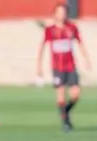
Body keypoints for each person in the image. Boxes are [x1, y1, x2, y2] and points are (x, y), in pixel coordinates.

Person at [37, 3, 91, 132]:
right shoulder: (50, 30)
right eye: (59, 12)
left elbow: (80, 43)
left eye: (63, 12)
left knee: (76, 94)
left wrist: (86, 59)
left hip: (71, 66)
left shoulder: (72, 28)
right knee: (60, 96)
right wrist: (39, 65)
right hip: (57, 68)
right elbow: (42, 47)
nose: (61, 15)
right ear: (55, 14)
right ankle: (66, 122)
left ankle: (65, 110)